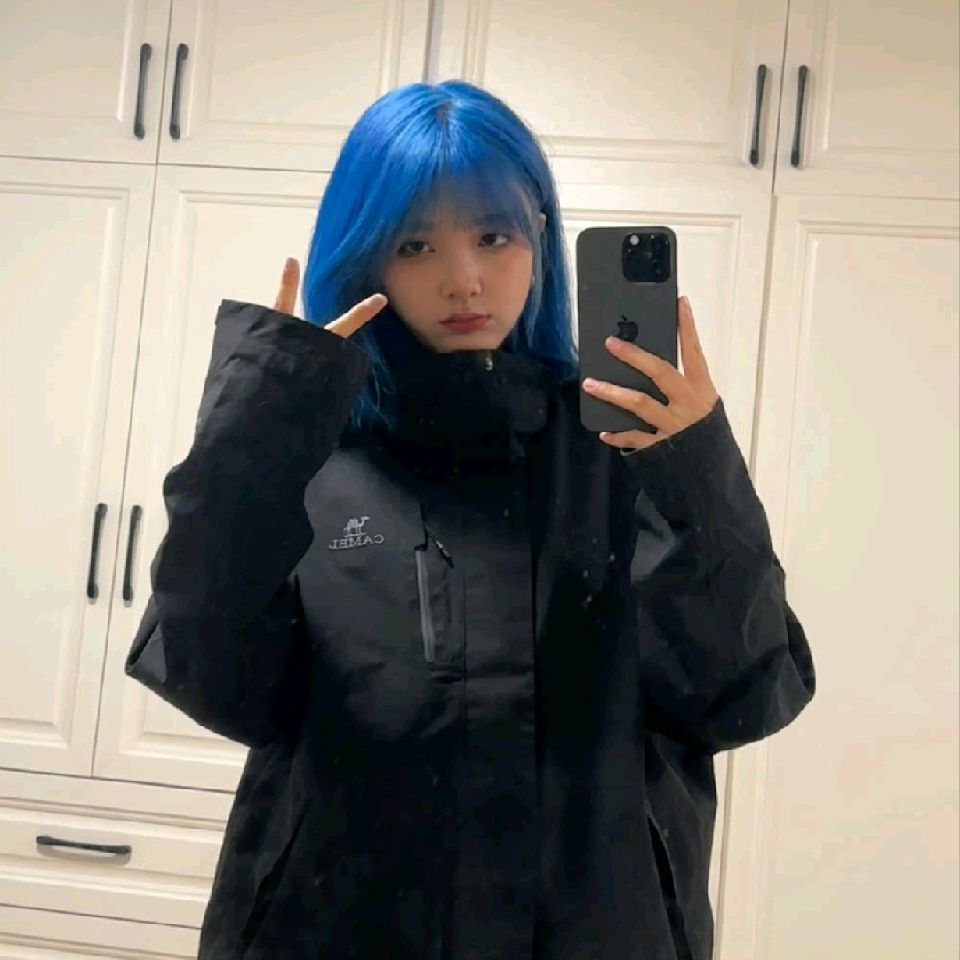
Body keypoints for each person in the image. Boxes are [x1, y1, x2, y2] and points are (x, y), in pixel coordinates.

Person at [125, 79, 816, 960]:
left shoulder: (628, 455)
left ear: (540, 237)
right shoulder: (309, 452)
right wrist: (257, 429)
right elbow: (215, 676)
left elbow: (740, 693)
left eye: (494, 236)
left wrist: (700, 474)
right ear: (368, 256)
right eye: (416, 244)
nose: (464, 280)